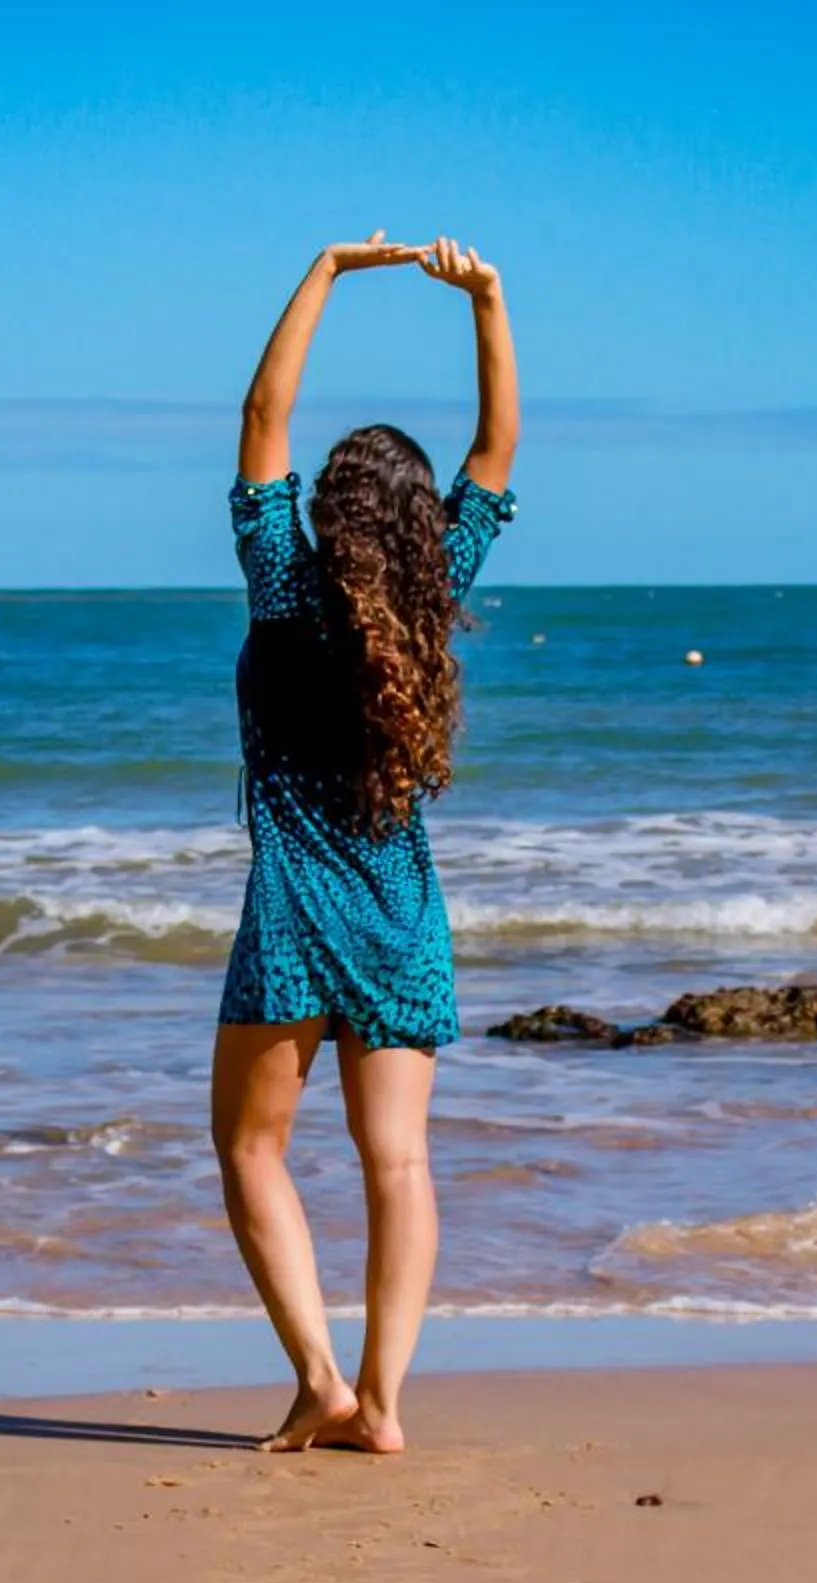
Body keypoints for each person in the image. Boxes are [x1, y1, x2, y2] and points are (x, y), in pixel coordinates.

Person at [211, 232, 520, 1455]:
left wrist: (328, 273)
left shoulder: (282, 584)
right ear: (410, 520)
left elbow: (259, 410)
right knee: (398, 1162)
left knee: (249, 1148)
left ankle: (319, 1382)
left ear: (329, 510)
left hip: (289, 914)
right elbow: (495, 452)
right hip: (400, 915)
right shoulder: (437, 581)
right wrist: (486, 299)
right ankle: (383, 1404)